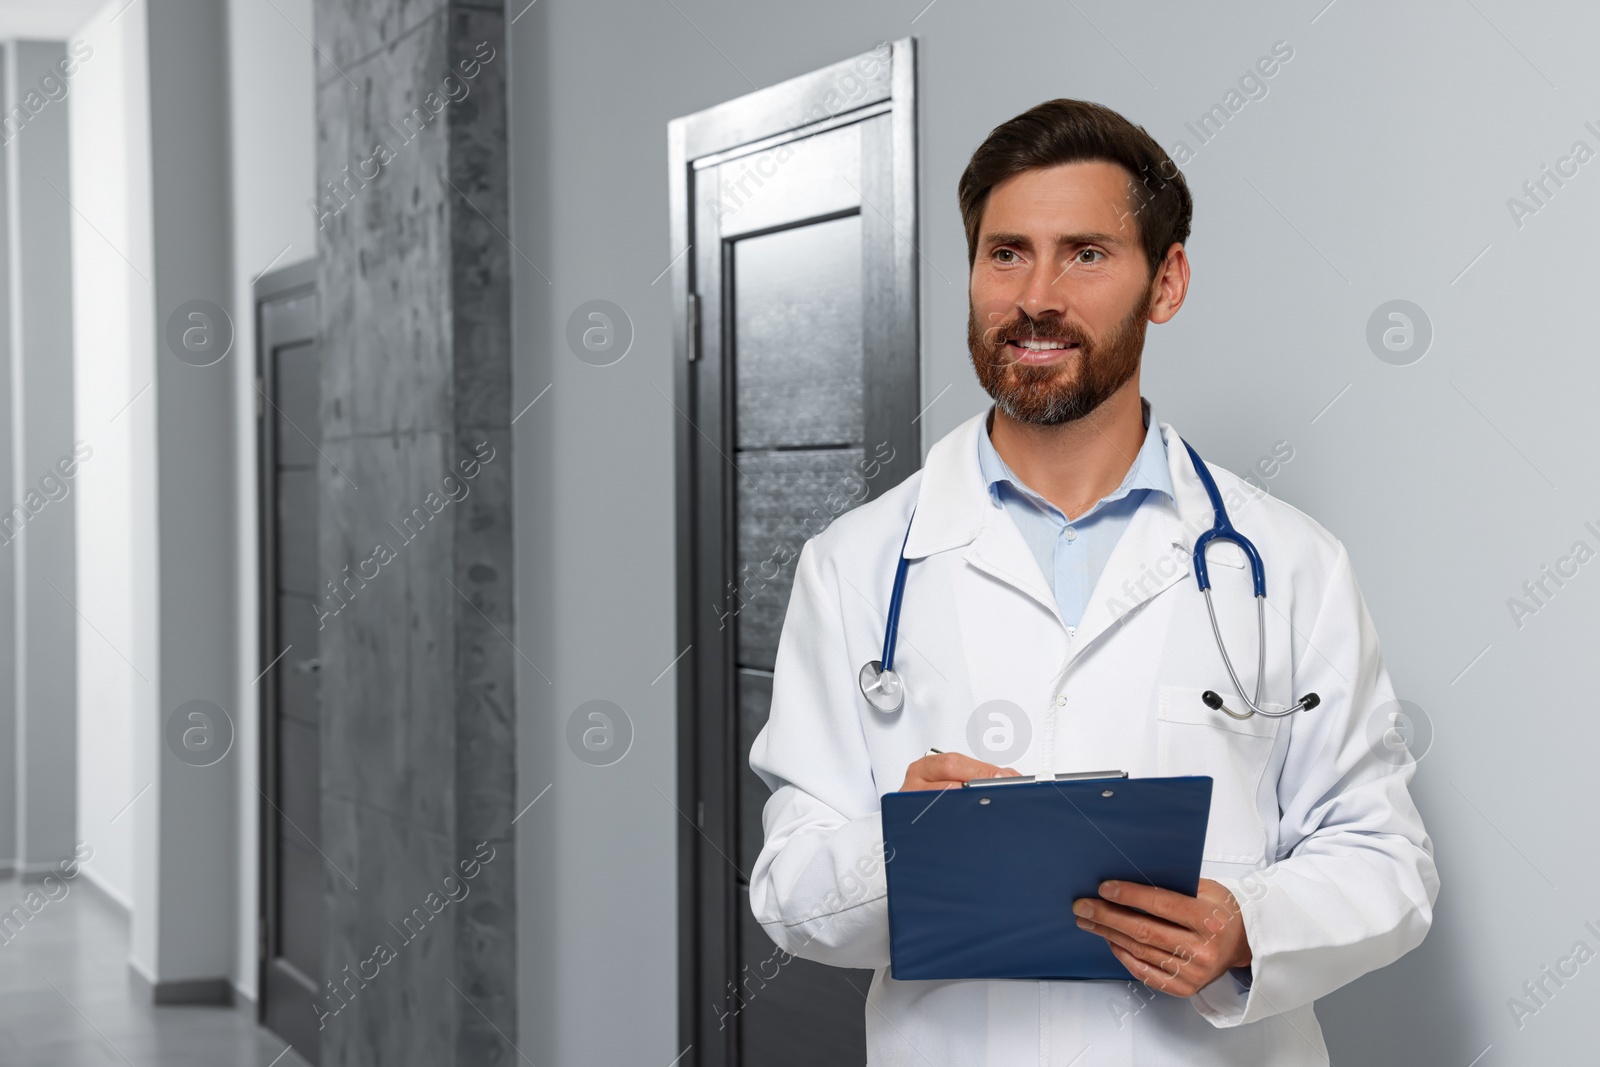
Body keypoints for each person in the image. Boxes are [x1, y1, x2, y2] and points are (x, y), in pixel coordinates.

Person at [747, 99, 1438, 1065]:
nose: (1037, 294)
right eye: (1005, 253)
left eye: (1085, 253)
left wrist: (1246, 926)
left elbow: (1387, 862)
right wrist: (896, 850)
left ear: (1167, 281)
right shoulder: (856, 563)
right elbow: (788, 889)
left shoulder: (1288, 563)